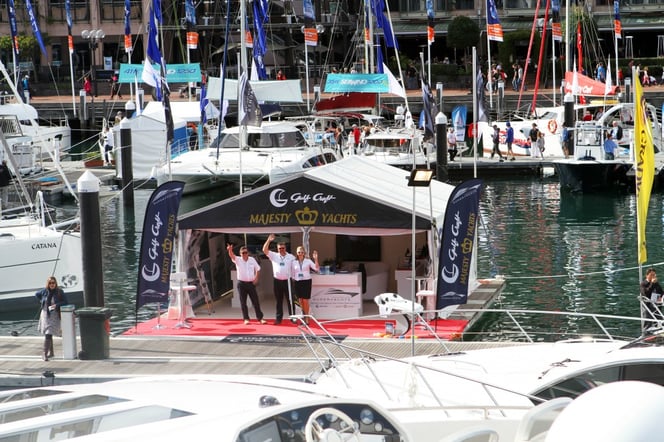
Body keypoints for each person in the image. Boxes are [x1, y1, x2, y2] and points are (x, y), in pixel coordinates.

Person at [227, 244, 267, 325]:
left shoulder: (252, 259)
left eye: (245, 252)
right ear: (240, 254)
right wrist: (230, 250)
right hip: (241, 284)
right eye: (242, 253)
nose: (244, 254)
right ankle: (246, 318)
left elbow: (258, 269)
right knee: (243, 302)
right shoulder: (238, 260)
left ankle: (260, 318)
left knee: (255, 301)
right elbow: (232, 256)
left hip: (251, 283)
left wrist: (256, 278)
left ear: (248, 253)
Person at [262, 234, 295, 325]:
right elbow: (264, 250)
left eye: (283, 248)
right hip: (277, 281)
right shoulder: (274, 256)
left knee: (290, 300)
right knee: (278, 301)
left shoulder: (291, 257)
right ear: (277, 249)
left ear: (285, 248)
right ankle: (278, 319)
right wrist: (269, 240)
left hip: (288, 281)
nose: (281, 250)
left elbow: (296, 267)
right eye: (280, 248)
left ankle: (293, 318)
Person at [35, 276, 68, 361]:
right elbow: (36, 294)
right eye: (50, 283)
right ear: (48, 284)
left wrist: (56, 305)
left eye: (53, 283)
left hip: (54, 315)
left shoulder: (59, 292)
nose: (52, 284)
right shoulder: (44, 291)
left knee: (49, 332)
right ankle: (47, 353)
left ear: (55, 283)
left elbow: (65, 302)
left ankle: (45, 353)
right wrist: (41, 301)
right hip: (45, 314)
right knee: (48, 333)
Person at [290, 245, 319, 325]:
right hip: (297, 282)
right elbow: (292, 273)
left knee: (305, 301)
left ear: (304, 253)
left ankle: (307, 318)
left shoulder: (308, 261)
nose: (300, 254)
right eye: (299, 252)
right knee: (300, 301)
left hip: (306, 282)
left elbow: (316, 269)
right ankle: (303, 315)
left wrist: (316, 259)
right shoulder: (294, 262)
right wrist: (294, 281)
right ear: (296, 253)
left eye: (302, 252)